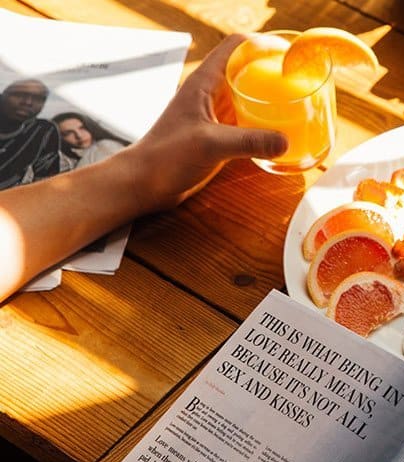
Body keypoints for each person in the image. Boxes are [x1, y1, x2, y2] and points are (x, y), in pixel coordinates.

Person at [0, 35, 287, 304]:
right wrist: (141, 177)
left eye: (35, 98)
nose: (28, 103)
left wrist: (145, 175)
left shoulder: (43, 132)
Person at [0, 78, 62, 190]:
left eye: (38, 98)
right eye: (19, 94)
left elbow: (46, 181)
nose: (28, 102)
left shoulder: (42, 131)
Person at [52, 111, 131, 169]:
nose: (79, 136)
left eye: (82, 128)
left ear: (90, 127)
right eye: (68, 133)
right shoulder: (66, 160)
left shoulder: (104, 147)